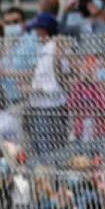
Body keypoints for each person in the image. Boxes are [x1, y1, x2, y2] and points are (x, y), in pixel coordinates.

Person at [25, 13, 68, 157]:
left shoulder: (57, 49)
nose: (36, 34)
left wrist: (34, 89)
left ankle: (50, 176)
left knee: (48, 149)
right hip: (39, 104)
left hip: (51, 105)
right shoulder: (44, 49)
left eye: (37, 30)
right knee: (39, 146)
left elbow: (59, 80)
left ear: (43, 30)